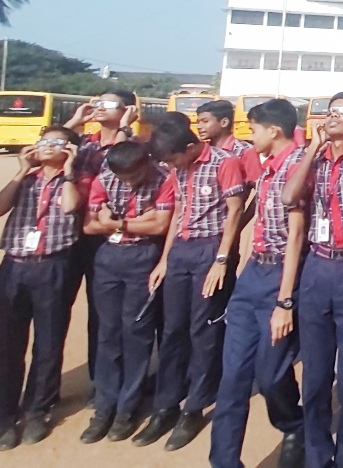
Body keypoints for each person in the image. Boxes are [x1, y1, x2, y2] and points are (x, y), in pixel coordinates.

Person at [280, 92, 343, 468]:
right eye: (330, 112)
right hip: (318, 267)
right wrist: (311, 151)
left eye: (342, 112)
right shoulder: (314, 159)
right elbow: (288, 196)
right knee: (316, 371)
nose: (332, 117)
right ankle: (316, 452)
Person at [209, 99, 306, 468]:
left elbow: (296, 238)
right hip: (254, 274)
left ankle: (293, 423)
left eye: (254, 130)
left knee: (270, 373)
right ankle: (224, 461)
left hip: (283, 276)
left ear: (273, 131)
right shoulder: (267, 169)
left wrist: (285, 300)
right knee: (233, 377)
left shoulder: (297, 169)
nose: (251, 138)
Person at [139, 121, 248, 450]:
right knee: (173, 330)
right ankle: (166, 405)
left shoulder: (223, 162)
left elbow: (235, 211)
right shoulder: (179, 169)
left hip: (209, 250)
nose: (171, 166)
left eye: (173, 160)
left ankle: (194, 407)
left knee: (203, 331)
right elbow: (179, 211)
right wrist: (165, 259)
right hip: (182, 251)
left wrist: (221, 259)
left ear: (189, 148)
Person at [0, 126, 82, 449]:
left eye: (56, 143)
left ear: (70, 150)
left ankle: (37, 411)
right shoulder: (25, 180)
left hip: (53, 266)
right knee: (5, 345)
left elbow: (70, 208)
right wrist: (20, 172)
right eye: (43, 141)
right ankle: (3, 418)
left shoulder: (77, 180)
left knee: (48, 342)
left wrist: (68, 173)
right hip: (14, 266)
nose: (45, 147)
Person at [80, 138, 174, 443]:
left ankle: (127, 408)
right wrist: (136, 222)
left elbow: (160, 226)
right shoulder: (104, 178)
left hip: (143, 258)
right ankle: (104, 407)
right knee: (107, 333)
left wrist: (117, 222)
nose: (128, 183)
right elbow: (90, 226)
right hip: (109, 259)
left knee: (136, 333)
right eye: (122, 178)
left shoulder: (163, 178)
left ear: (145, 163)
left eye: (133, 176)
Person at [63, 90, 138, 391]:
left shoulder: (134, 146)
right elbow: (50, 149)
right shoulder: (84, 143)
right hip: (70, 234)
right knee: (58, 310)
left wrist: (123, 131)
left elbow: (113, 171)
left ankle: (102, 379)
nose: (98, 108)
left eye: (108, 104)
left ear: (127, 110)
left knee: (103, 313)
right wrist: (74, 123)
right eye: (97, 102)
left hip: (105, 235)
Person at [196, 99, 262, 186]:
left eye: (205, 121)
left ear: (224, 122)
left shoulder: (245, 151)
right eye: (198, 122)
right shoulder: (202, 151)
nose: (199, 126)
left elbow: (257, 186)